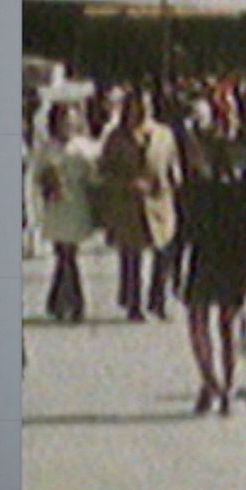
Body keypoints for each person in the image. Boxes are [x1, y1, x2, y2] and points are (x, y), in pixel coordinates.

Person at [179, 124, 246, 414]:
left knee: (207, 321)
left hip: (215, 258)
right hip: (222, 259)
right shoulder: (232, 186)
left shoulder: (205, 187)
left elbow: (187, 228)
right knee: (219, 323)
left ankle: (216, 382)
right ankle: (218, 383)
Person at [97, 90, 183, 322]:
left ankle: (158, 300)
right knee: (131, 256)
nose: (142, 110)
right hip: (127, 204)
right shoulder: (116, 137)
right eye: (136, 106)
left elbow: (173, 166)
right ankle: (133, 302)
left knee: (163, 253)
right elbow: (104, 170)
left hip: (159, 202)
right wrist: (125, 183)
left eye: (146, 105)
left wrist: (170, 184)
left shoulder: (163, 134)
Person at [34, 103, 100, 322]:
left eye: (72, 121)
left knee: (68, 255)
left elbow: (94, 177)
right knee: (63, 255)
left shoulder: (84, 147)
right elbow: (38, 175)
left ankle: (64, 302)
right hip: (57, 208)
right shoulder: (47, 148)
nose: (68, 126)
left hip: (76, 206)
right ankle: (67, 302)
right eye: (64, 122)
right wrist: (48, 183)